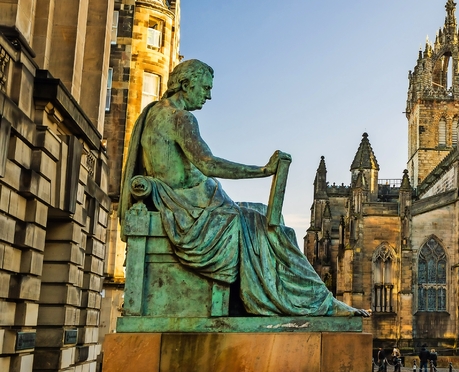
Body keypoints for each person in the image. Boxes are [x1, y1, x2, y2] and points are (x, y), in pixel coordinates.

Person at [120, 60, 369, 317]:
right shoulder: (181, 118)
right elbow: (209, 164)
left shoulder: (153, 113)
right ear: (185, 84)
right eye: (204, 88)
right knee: (272, 230)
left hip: (192, 203)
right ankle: (319, 303)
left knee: (265, 213)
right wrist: (263, 170)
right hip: (192, 209)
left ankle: (314, 299)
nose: (209, 95)